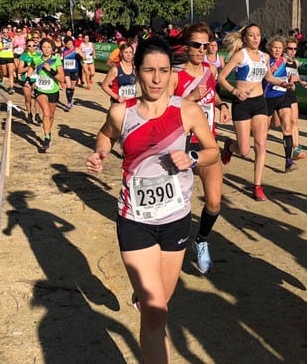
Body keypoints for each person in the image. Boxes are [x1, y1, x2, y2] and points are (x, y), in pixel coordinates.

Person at [85, 37, 219, 364]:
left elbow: (212, 151)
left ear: (171, 74)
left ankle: (144, 300)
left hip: (175, 220)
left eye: (163, 71)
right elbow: (105, 134)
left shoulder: (186, 111)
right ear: (138, 73)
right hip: (135, 220)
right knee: (156, 309)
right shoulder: (121, 112)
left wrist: (191, 155)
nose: (157, 79)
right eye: (149, 71)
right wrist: (101, 152)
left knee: (158, 310)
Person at [170, 22, 231, 273]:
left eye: (206, 45)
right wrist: (189, 99)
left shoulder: (210, 71)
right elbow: (163, 108)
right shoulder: (175, 74)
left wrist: (222, 104)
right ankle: (169, 247)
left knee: (214, 202)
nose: (201, 50)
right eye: (196, 44)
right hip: (179, 145)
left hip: (207, 144)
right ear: (186, 45)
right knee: (176, 204)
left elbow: (212, 94)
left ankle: (202, 241)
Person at [217, 23, 292, 201]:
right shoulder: (239, 55)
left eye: (258, 34)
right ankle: (229, 146)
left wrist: (282, 83)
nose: (256, 38)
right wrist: (235, 91)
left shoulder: (264, 57)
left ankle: (257, 186)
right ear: (245, 38)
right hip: (242, 104)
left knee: (260, 144)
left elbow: (268, 77)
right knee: (244, 150)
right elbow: (221, 78)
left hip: (259, 103)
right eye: (252, 35)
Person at [263, 36, 302, 172]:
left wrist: (296, 81)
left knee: (287, 127)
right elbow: (260, 78)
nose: (277, 50)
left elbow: (292, 74)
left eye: (280, 48)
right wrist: (269, 72)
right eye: (275, 47)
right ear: (269, 48)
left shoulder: (285, 60)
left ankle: (288, 161)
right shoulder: (265, 60)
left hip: (282, 96)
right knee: (264, 131)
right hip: (267, 97)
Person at [32, 38, 65, 153]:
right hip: (40, 90)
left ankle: (48, 132)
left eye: (49, 47)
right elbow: (30, 70)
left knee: (50, 115)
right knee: (46, 113)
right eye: (44, 47)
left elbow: (62, 78)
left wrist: (51, 70)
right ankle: (46, 138)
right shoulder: (36, 59)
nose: (46, 49)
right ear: (41, 48)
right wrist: (29, 79)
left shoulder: (56, 60)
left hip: (53, 91)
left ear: (52, 49)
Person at [61, 37, 81, 110]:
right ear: (65, 44)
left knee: (72, 87)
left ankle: (70, 98)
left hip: (75, 70)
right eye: (68, 44)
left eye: (71, 44)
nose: (69, 45)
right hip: (66, 69)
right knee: (68, 86)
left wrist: (80, 55)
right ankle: (69, 102)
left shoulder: (76, 49)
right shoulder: (63, 50)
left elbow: (84, 57)